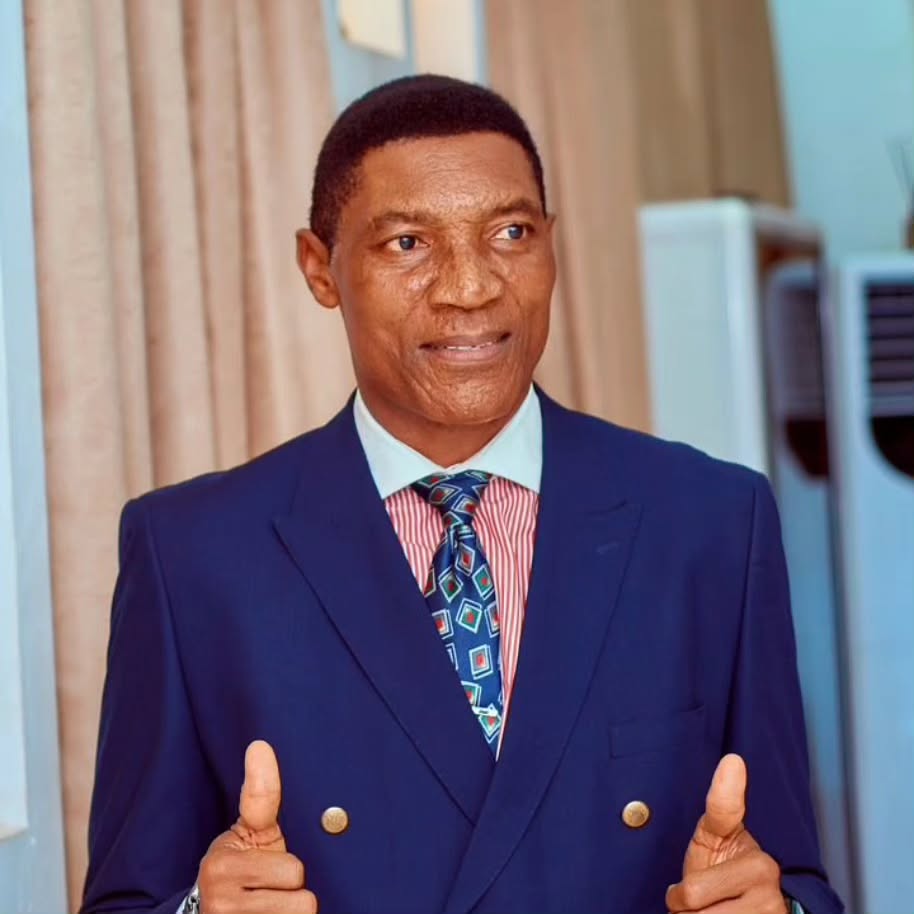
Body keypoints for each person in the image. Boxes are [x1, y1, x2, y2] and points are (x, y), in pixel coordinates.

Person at [81, 75, 843, 914]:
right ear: (320, 268)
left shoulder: (710, 523)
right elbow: (127, 898)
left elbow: (795, 874)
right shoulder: (193, 555)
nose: (471, 287)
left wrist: (778, 909)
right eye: (408, 243)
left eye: (511, 233)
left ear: (553, 245)